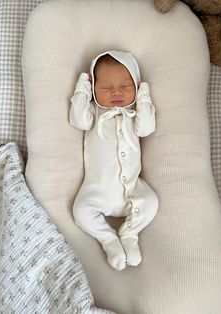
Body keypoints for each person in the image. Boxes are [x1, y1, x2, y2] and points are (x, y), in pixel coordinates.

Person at [70, 50, 158, 271]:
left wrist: (144, 96)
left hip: (132, 190)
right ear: (94, 90)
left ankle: (129, 233)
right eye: (106, 88)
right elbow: (77, 118)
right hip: (96, 190)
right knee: (80, 211)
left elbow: (147, 127)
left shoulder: (132, 114)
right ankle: (108, 238)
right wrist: (82, 88)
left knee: (151, 202)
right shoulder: (96, 113)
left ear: (135, 87)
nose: (116, 92)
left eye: (126, 87)